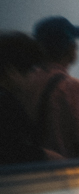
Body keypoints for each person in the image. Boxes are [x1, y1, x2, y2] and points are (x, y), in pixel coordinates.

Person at [27, 16, 79, 159]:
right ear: (71, 48)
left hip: (29, 172)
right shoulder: (74, 88)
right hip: (66, 174)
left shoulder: (26, 82)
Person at [0, 33, 49, 165]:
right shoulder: (7, 105)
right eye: (33, 69)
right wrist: (48, 156)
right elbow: (17, 152)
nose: (38, 75)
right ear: (11, 72)